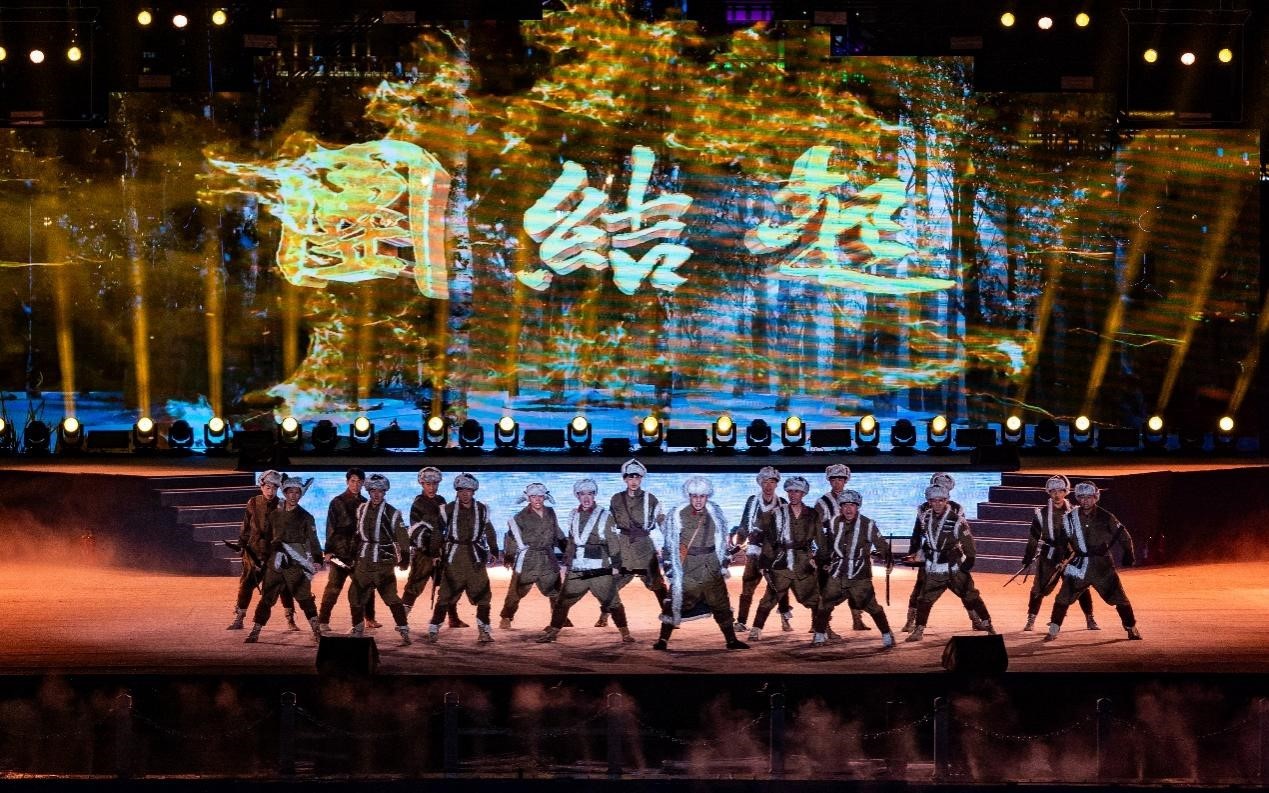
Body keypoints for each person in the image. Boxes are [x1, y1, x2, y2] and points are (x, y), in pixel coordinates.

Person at [653, 476, 749, 651]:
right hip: (688, 568)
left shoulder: (715, 513)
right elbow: (669, 543)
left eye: (702, 496)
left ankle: (731, 640)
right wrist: (670, 570)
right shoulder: (678, 514)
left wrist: (724, 560)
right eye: (694, 496)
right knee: (674, 602)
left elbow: (721, 540)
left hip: (711, 567)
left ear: (707, 496)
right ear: (689, 496)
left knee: (721, 603)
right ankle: (663, 640)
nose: (698, 500)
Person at [539, 478, 635, 644]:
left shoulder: (604, 516)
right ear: (577, 496)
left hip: (600, 569)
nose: (586, 497)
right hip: (578, 568)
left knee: (613, 602)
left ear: (594, 495)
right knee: (562, 601)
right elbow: (571, 540)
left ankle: (625, 634)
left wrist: (617, 564)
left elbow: (613, 541)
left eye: (590, 494)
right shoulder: (573, 515)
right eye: (582, 494)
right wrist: (568, 560)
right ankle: (552, 633)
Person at [1044, 481, 1141, 641]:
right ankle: (1053, 630)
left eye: (1089, 497)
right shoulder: (1070, 517)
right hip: (1078, 567)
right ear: (1077, 498)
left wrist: (1128, 553)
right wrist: (1059, 558)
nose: (1085, 500)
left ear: (1095, 497)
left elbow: (1123, 535)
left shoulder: (1106, 516)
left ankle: (1131, 628)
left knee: (1119, 598)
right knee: (1063, 597)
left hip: (1103, 567)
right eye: (1081, 497)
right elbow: (1062, 541)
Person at [905, 483, 995, 642]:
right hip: (935, 567)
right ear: (929, 502)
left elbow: (968, 542)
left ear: (946, 500)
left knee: (971, 595)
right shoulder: (926, 517)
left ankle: (988, 624)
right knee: (924, 598)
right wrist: (918, 555)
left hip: (955, 567)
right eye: (934, 501)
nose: (937, 504)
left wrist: (969, 560)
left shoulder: (957, 520)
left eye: (941, 500)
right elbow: (927, 541)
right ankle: (919, 630)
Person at [747, 476, 827, 644]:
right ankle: (756, 628)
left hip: (804, 562)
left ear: (803, 493)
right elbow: (769, 541)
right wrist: (764, 563)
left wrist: (821, 560)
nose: (793, 495)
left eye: (797, 491)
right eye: (790, 491)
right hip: (781, 561)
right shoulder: (778, 513)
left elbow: (820, 539)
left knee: (813, 598)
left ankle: (819, 630)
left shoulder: (812, 514)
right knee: (770, 597)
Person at [244, 477, 324, 644]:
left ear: (301, 494)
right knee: (267, 597)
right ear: (285, 493)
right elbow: (267, 538)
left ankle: (316, 630)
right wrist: (262, 558)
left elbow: (313, 539)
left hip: (296, 561)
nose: (293, 496)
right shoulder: (274, 515)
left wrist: (317, 559)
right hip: (275, 561)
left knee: (304, 597)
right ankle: (255, 630)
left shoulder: (306, 517)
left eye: (297, 492)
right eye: (290, 492)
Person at [423, 473, 500, 644]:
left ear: (474, 491)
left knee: (484, 595)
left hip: (475, 559)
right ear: (457, 491)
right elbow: (437, 531)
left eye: (468, 490)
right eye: (461, 490)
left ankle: (484, 631)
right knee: (445, 595)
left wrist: (494, 550)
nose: (465, 494)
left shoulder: (482, 509)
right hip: (454, 559)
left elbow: (489, 530)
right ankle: (434, 628)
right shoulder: (448, 509)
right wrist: (434, 553)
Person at [818, 489, 895, 649]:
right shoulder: (833, 522)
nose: (848, 509)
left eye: (852, 505)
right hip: (837, 572)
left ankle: (887, 633)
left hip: (859, 574)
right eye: (845, 505)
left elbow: (882, 545)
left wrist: (888, 559)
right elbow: (828, 545)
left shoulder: (868, 524)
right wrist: (821, 560)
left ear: (857, 506)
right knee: (825, 602)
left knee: (872, 606)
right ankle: (819, 634)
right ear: (840, 507)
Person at [1021, 475, 1097, 632]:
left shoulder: (1075, 512)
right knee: (1039, 587)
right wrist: (1028, 556)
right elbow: (1033, 537)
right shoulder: (1041, 514)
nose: (1057, 494)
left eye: (1060, 491)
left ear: (1065, 492)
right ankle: (1031, 619)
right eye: (1053, 491)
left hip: (1071, 555)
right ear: (1049, 492)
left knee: (1081, 586)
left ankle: (1090, 619)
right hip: (1049, 555)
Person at [227, 470, 298, 631]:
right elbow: (246, 526)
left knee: (283, 587)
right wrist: (241, 544)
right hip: (254, 552)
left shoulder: (283, 505)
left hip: (275, 553)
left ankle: (290, 619)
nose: (270, 491)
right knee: (246, 585)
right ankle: (239, 618)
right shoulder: (253, 502)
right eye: (268, 487)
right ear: (261, 486)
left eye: (274, 488)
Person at [346, 474, 412, 645]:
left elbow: (402, 536)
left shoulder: (392, 512)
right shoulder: (362, 509)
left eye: (380, 491)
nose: (376, 494)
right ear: (368, 491)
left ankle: (404, 630)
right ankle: (358, 629)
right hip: (364, 561)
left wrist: (405, 556)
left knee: (391, 598)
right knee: (355, 595)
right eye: (373, 490)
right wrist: (352, 553)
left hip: (383, 562)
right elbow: (358, 533)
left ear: (385, 492)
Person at [401, 467, 467, 628]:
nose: (431, 488)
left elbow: (448, 523)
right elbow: (416, 529)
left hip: (441, 551)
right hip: (424, 553)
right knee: (414, 585)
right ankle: (401, 619)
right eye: (428, 484)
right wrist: (431, 548)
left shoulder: (441, 500)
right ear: (422, 484)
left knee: (448, 585)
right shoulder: (418, 503)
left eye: (435, 484)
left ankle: (453, 618)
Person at [607, 459, 670, 626]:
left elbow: (660, 518)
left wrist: (670, 535)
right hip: (624, 545)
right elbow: (610, 522)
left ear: (641, 478)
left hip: (644, 546)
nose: (634, 481)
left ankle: (668, 614)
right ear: (625, 479)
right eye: (630, 477)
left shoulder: (650, 499)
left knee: (656, 582)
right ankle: (604, 615)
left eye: (637, 477)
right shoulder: (616, 499)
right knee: (613, 583)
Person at [733, 466, 792, 633]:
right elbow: (744, 523)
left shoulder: (782, 503)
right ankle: (741, 621)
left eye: (772, 482)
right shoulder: (753, 501)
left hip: (775, 552)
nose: (768, 485)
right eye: (765, 482)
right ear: (760, 483)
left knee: (779, 585)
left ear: (776, 484)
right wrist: (738, 544)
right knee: (748, 584)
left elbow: (788, 528)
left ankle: (785, 618)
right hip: (755, 550)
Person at [316, 467, 375, 633]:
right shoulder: (337, 501)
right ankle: (323, 621)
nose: (355, 484)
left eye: (359, 481)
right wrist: (328, 550)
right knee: (333, 588)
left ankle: (369, 619)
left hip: (359, 553)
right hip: (340, 552)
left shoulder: (366, 503)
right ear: (347, 482)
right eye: (352, 481)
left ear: (363, 483)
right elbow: (330, 526)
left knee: (364, 586)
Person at [499, 483, 566, 630]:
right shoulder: (521, 516)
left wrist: (566, 549)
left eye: (540, 496)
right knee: (516, 589)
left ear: (545, 497)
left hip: (547, 557)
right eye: (533, 496)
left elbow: (557, 531)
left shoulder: (550, 512)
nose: (537, 499)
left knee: (555, 589)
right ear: (528, 498)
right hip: (528, 558)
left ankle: (559, 618)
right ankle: (506, 617)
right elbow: (512, 536)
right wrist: (509, 555)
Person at [814, 464, 858, 635]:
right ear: (829, 481)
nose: (837, 483)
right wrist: (822, 551)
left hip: (847, 551)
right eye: (834, 479)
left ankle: (856, 619)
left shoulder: (851, 499)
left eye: (840, 479)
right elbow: (817, 528)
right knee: (826, 589)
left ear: (845, 481)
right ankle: (822, 626)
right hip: (828, 551)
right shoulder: (822, 502)